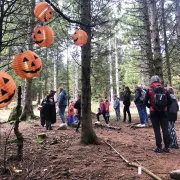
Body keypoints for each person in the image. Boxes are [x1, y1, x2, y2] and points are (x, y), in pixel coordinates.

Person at [144, 75, 172, 153]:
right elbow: (170, 101)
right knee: (165, 129)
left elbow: (145, 101)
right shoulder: (165, 90)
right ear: (159, 80)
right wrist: (166, 108)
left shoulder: (149, 90)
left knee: (157, 130)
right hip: (164, 112)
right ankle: (166, 147)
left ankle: (159, 147)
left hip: (154, 112)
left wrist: (150, 106)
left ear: (152, 81)